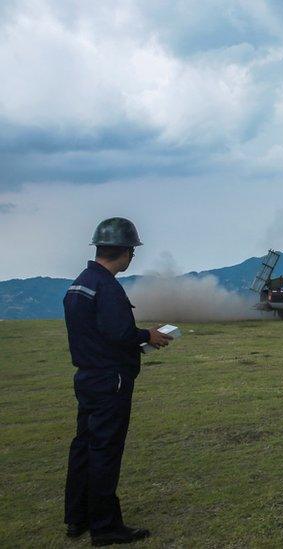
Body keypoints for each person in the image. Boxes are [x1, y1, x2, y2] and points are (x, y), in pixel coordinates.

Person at [63, 217, 172, 545]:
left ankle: (77, 517)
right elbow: (119, 333)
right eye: (132, 252)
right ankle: (106, 526)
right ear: (124, 251)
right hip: (111, 381)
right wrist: (148, 335)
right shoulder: (107, 287)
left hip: (87, 377)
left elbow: (96, 333)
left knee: (83, 447)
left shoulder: (80, 283)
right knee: (105, 452)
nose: (132, 257)